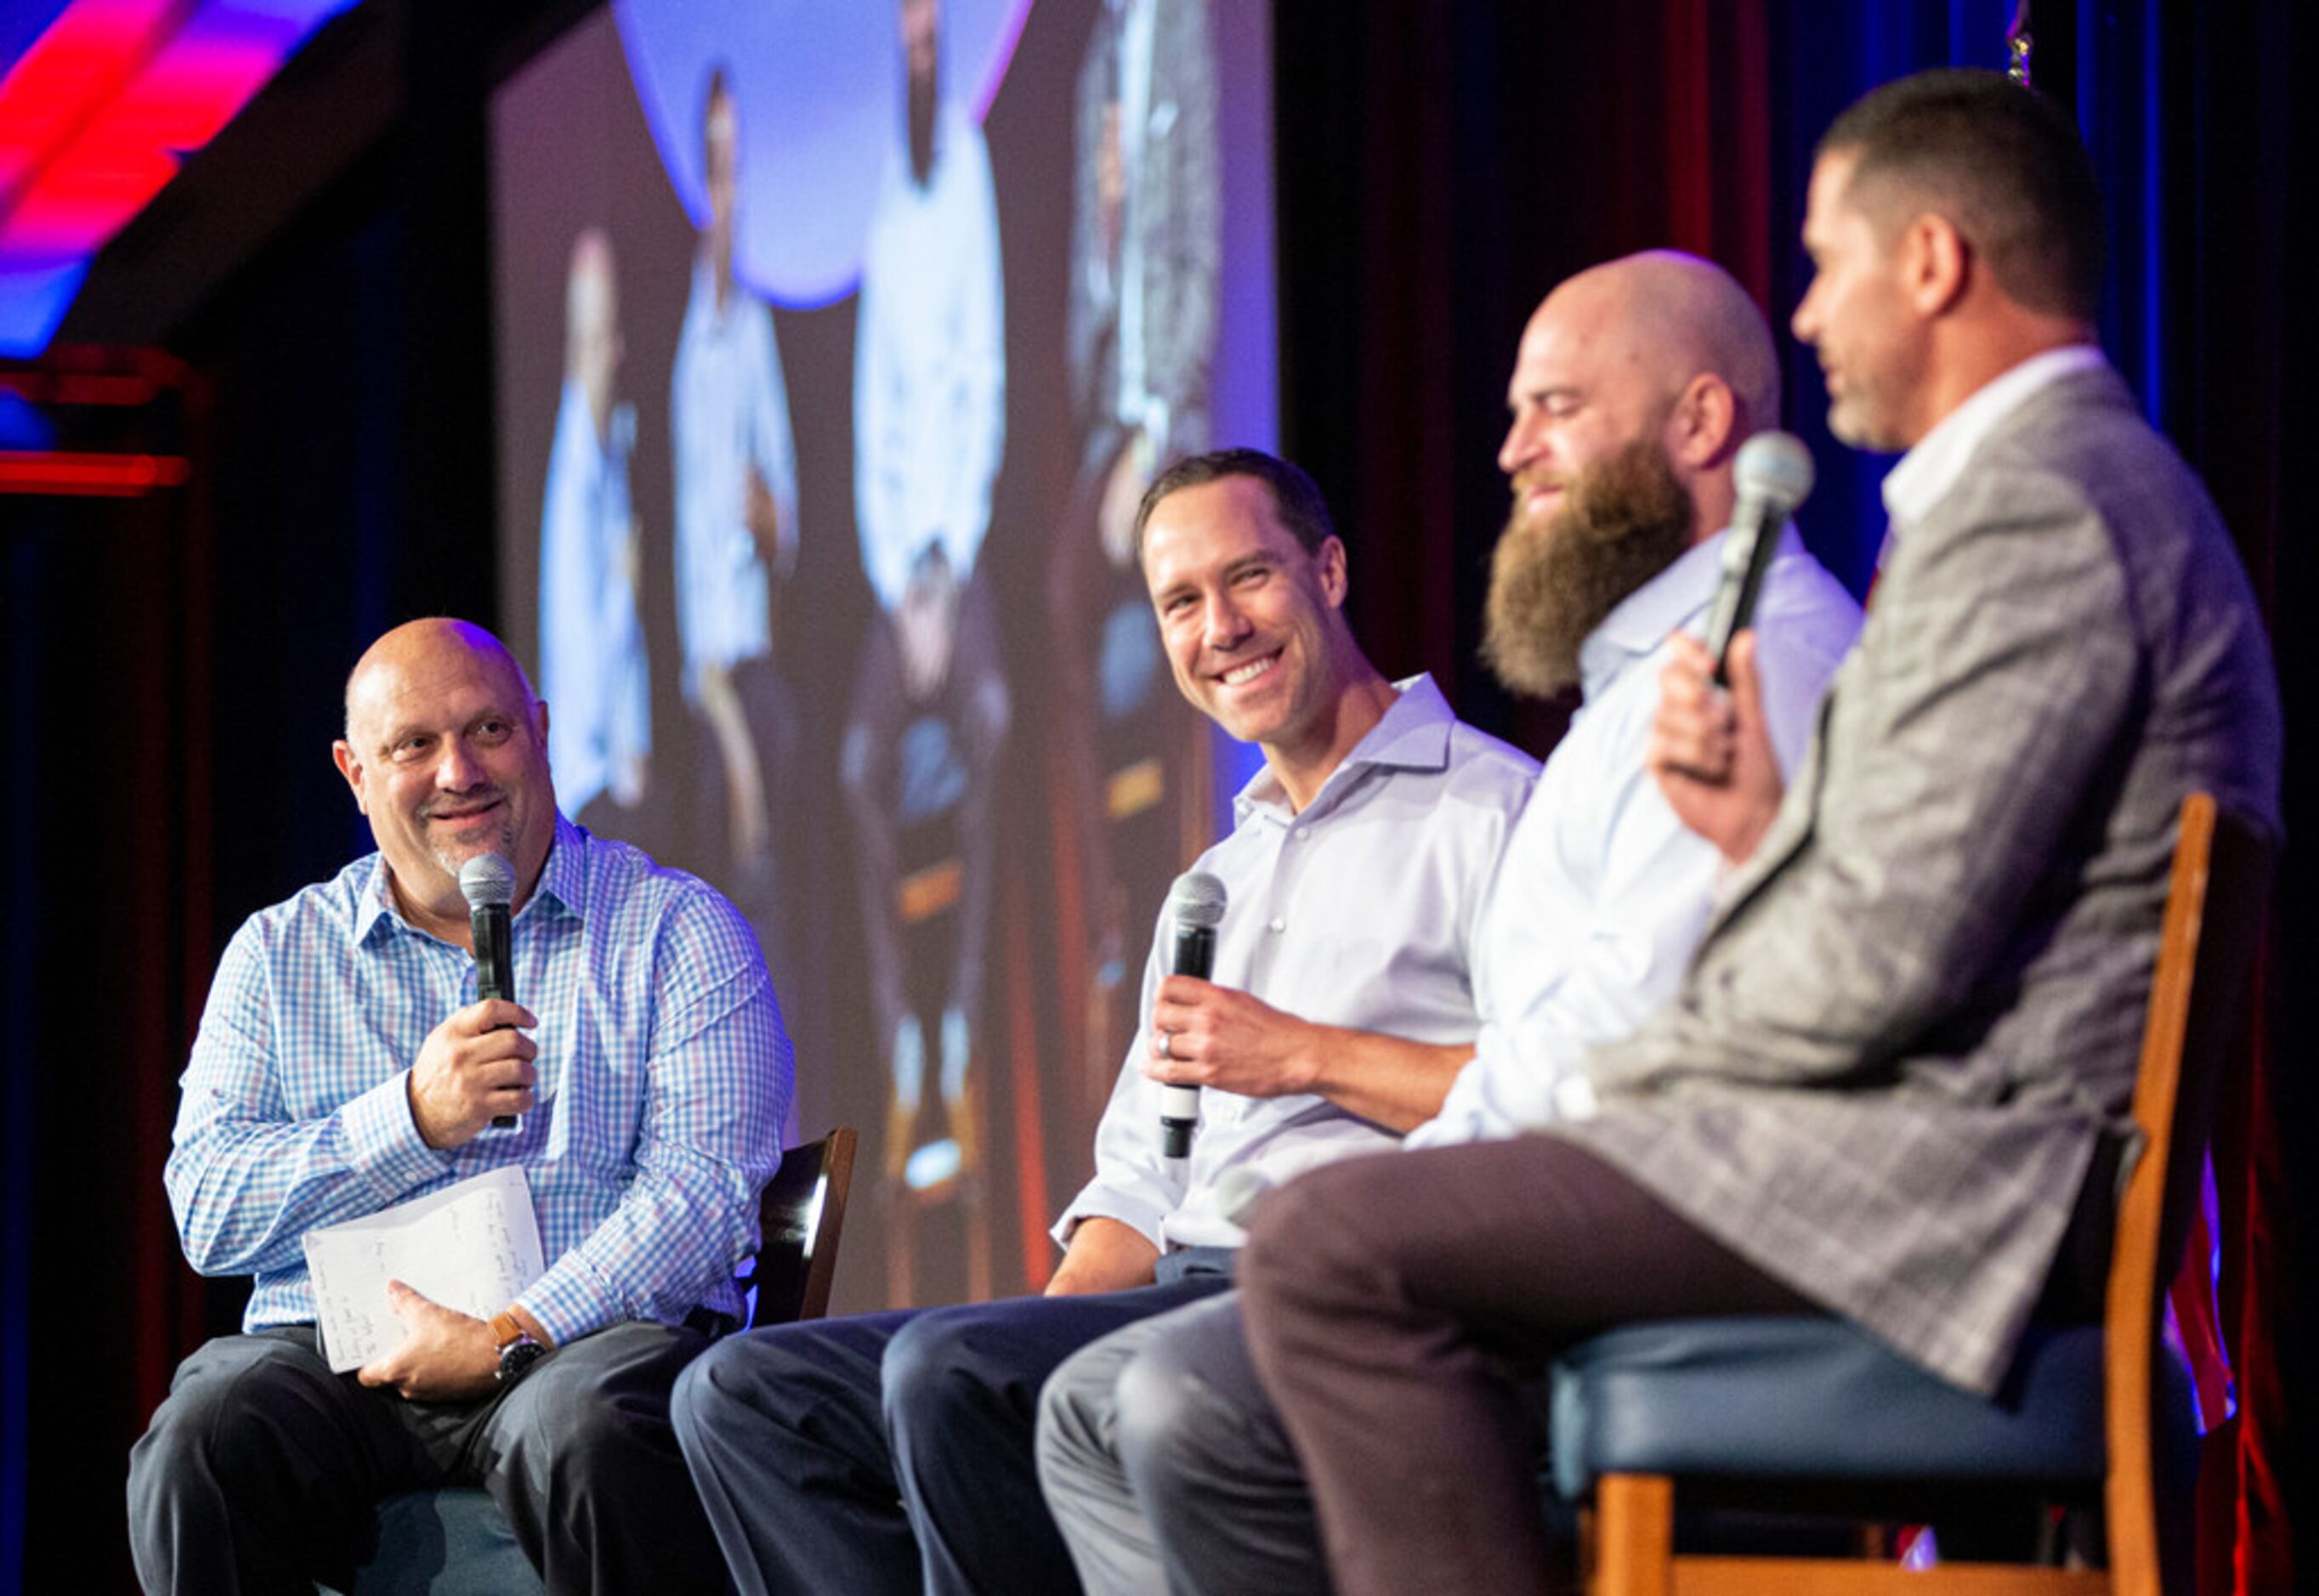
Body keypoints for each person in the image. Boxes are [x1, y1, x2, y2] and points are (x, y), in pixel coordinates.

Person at [1233, 68, 2283, 1596]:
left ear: (1928, 260)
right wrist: (1764, 830)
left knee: (1330, 1248)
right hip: (1922, 1143)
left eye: (1822, 263)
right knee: (1340, 1241)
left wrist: (1628, 1082)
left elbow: (1878, 964)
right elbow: (1922, 901)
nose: (1803, 318)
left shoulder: (2042, 509)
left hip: (1947, 1183)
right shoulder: (2036, 497)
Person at [1033, 252, 1863, 1596]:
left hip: (1672, 1225)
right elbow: (1139, 1174)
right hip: (1496, 1206)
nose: (1513, 448)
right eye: (1178, 602)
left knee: (1230, 1328)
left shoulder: (1733, 678)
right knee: (1018, 1389)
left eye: (1556, 408)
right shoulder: (1629, 696)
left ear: (1702, 424)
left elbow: (1635, 1054)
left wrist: (1348, 1116)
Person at [670, 448, 1539, 1596]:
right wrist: (1027, 1347)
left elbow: (1559, 1088)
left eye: (1250, 579)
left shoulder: (1493, 808)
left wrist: (1304, 1057)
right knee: (744, 1393)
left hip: (1337, 1292)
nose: (1219, 625)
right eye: (1181, 601)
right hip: (1174, 1284)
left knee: (943, 1372)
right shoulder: (1212, 882)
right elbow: (1139, 1185)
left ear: (1328, 571)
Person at [126, 618, 792, 1593]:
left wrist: (507, 1332)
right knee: (207, 1430)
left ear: (542, 731)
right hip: (337, 1364)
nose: (458, 773)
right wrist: (409, 1121)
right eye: (413, 746)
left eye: (488, 731)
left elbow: (703, 1195)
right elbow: (211, 1212)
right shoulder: (278, 957)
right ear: (355, 773)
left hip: (575, 1347)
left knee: (592, 1423)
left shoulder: (675, 931)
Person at [845, 0, 1012, 1187]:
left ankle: (961, 1015)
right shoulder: (880, 204)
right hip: (893, 567)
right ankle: (903, 1028)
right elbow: (873, 407)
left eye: (924, 42)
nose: (914, 58)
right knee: (861, 766)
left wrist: (949, 561)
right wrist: (896, 578)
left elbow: (979, 368)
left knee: (992, 723)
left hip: (964, 542)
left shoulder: (970, 168)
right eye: (897, 44)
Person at [1048, 0, 1225, 1106]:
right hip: (1107, 399)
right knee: (1063, 611)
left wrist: (1160, 421)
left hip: (1175, 408)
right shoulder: (1100, 56)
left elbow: (1199, 235)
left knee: (1170, 625)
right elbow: (1092, 249)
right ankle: (1116, 911)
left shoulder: (1190, 30)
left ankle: (1196, 865)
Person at [672, 64, 803, 1004]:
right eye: (713, 162)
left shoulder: (753, 327)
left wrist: (771, 522)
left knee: (777, 907)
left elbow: (783, 516)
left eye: (736, 163)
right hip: (708, 692)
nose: (728, 185)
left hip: (758, 669)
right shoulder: (679, 344)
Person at [539, 227, 652, 835]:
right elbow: (584, 659)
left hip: (622, 777)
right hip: (593, 790)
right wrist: (625, 588)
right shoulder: (575, 485)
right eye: (593, 338)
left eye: (610, 334)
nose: (610, 353)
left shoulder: (612, 461)